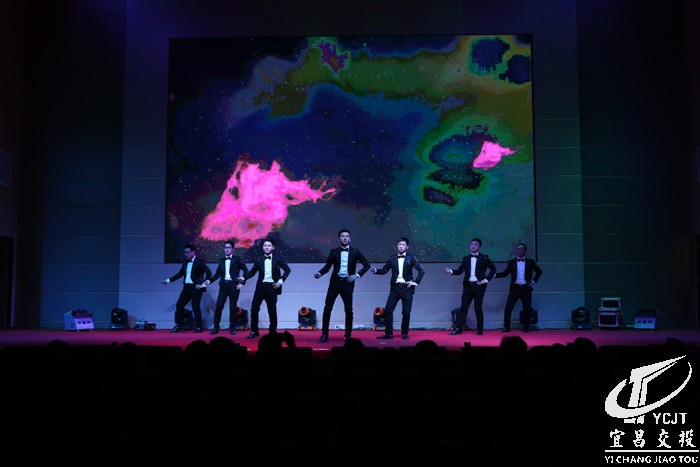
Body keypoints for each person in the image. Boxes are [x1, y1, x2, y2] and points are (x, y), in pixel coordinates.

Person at [314, 228, 371, 343]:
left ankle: (348, 335)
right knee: (327, 308)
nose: (345, 238)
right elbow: (327, 267)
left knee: (349, 310)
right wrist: (320, 273)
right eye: (342, 236)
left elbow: (367, 265)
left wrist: (357, 275)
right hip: (335, 283)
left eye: (347, 236)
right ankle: (324, 334)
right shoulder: (334, 252)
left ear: (350, 239)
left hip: (348, 283)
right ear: (339, 239)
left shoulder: (355, 251)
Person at [370, 237, 425, 340]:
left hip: (407, 289)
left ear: (407, 247)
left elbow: (422, 271)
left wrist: (415, 282)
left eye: (403, 245)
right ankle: (388, 333)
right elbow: (385, 270)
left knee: (406, 313)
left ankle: (404, 333)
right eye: (399, 244)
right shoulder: (392, 258)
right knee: (388, 311)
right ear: (397, 246)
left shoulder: (411, 258)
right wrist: (376, 271)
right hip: (394, 288)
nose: (401, 246)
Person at [444, 237, 496, 336]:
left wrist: (485, 280)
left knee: (477, 308)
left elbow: (493, 269)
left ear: (479, 247)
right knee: (463, 307)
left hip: (479, 286)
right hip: (468, 286)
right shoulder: (466, 258)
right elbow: (460, 271)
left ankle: (479, 329)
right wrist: (450, 271)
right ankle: (458, 328)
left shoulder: (484, 258)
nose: (473, 246)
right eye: (471, 244)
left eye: (475, 245)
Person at [240, 239, 291, 339]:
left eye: (269, 245)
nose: (267, 247)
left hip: (272, 287)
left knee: (272, 311)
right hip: (260, 287)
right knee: (254, 309)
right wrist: (244, 278)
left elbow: (287, 270)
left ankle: (272, 332)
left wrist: (280, 281)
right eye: (265, 245)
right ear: (263, 247)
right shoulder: (259, 259)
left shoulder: (277, 259)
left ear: (273, 247)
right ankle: (254, 331)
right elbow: (253, 272)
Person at [200, 240, 249, 335]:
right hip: (223, 286)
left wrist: (243, 283)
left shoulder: (237, 259)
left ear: (233, 249)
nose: (227, 249)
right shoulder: (221, 260)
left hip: (233, 286)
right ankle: (216, 327)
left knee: (232, 308)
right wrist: (209, 281)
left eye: (229, 247)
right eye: (225, 247)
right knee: (219, 306)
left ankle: (232, 328)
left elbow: (246, 271)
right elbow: (217, 274)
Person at [162, 242, 212, 333]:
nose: (186, 254)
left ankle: (198, 326)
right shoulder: (185, 262)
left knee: (195, 307)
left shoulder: (200, 262)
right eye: (185, 252)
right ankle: (180, 325)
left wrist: (203, 285)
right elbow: (180, 274)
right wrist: (168, 280)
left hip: (196, 287)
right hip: (186, 287)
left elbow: (209, 273)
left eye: (188, 252)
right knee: (179, 305)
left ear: (193, 252)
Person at [494, 242, 542, 332]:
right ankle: (507, 327)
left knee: (527, 308)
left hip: (526, 288)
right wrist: (494, 275)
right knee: (508, 308)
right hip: (514, 288)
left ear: (525, 251)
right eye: (518, 249)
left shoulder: (530, 262)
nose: (520, 251)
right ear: (516, 251)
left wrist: (533, 281)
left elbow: (539, 271)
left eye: (522, 249)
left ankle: (526, 327)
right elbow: (505, 273)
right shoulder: (511, 262)